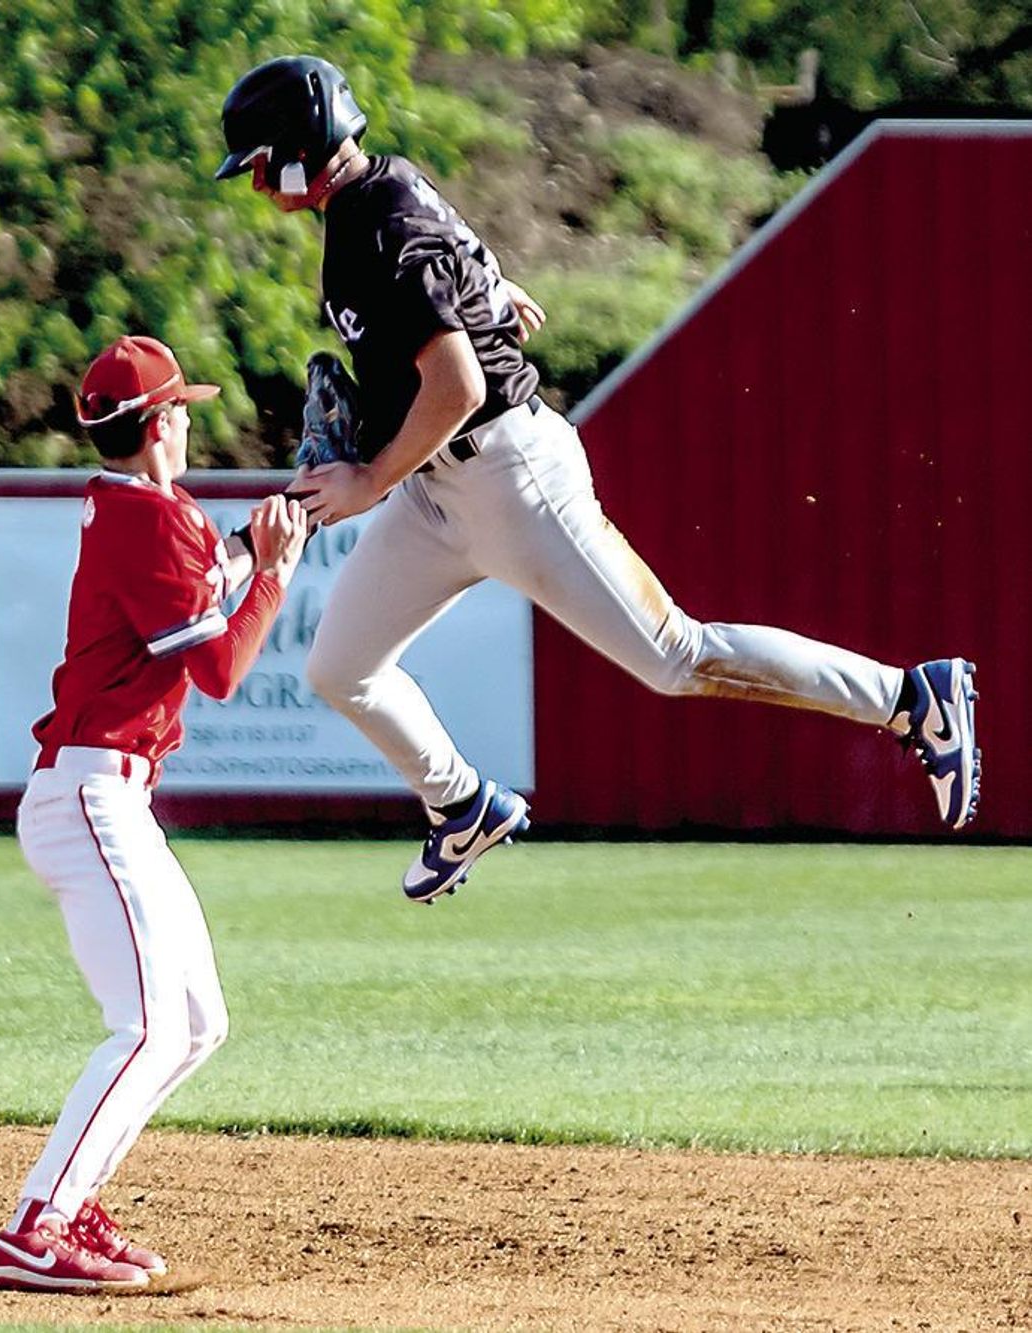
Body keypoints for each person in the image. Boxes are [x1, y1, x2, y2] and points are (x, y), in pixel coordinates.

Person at [214, 56, 981, 903]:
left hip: (509, 475)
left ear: (297, 145)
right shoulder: (380, 194)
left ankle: (911, 698)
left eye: (256, 161)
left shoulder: (376, 218)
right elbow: (442, 272)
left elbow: (460, 385)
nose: (253, 183)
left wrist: (370, 480)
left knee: (677, 657)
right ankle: (461, 804)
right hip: (443, 489)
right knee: (339, 667)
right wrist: (487, 289)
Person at [0, 335, 308, 1293]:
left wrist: (256, 544)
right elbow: (216, 666)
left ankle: (70, 1204)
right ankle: (35, 1229)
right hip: (90, 795)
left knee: (197, 1020)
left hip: (106, 795)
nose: (191, 420)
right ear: (164, 421)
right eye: (186, 408)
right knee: (150, 1027)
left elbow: (199, 584)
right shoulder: (145, 518)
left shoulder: (142, 508)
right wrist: (278, 573)